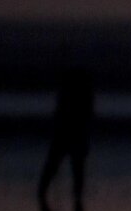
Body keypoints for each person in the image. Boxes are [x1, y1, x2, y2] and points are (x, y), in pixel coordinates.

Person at [38, 65, 95, 198]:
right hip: (70, 136)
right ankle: (44, 194)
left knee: (74, 169)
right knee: (71, 169)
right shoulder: (79, 95)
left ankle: (44, 193)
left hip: (72, 136)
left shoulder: (77, 95)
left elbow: (85, 116)